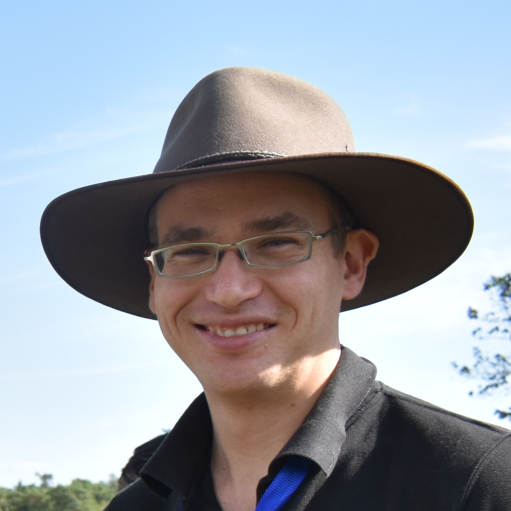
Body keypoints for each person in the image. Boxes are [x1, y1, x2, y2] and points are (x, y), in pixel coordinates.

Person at [41, 67, 511, 511]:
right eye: (190, 251)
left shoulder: (478, 486)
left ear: (350, 263)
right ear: (154, 281)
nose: (228, 290)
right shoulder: (135, 507)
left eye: (277, 243)